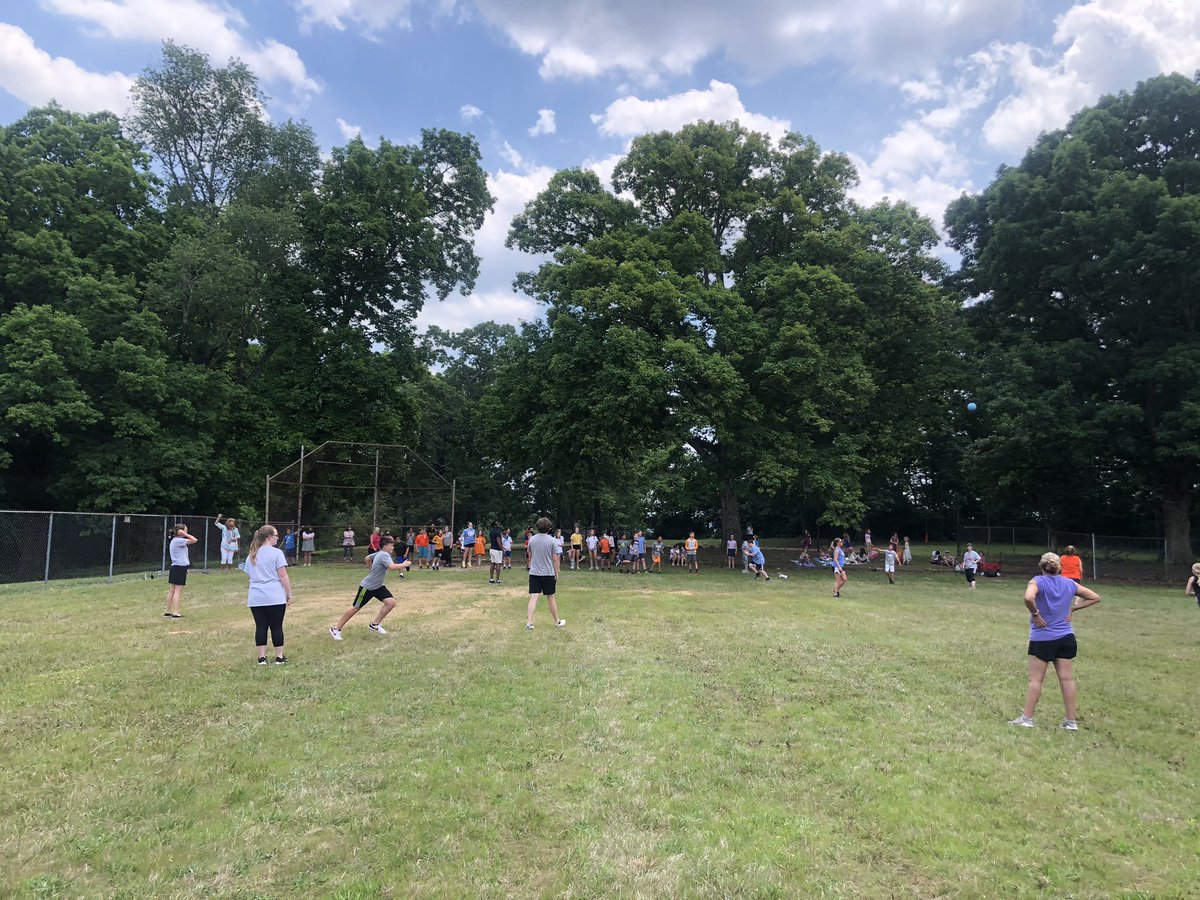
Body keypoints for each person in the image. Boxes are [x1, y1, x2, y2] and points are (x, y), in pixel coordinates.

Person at [1010, 552, 1102, 730]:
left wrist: (1035, 614)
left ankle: (1027, 719)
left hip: (1042, 638)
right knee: (1067, 680)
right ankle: (1071, 722)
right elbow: (1094, 597)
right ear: (1059, 567)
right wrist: (1073, 608)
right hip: (1066, 638)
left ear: (1041, 566)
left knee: (1036, 680)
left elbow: (1028, 597)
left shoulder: (1037, 581)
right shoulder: (1069, 583)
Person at [329, 535, 412, 640]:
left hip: (377, 586)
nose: (393, 547)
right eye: (391, 545)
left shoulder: (379, 553)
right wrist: (404, 564)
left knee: (390, 602)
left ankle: (375, 624)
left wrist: (370, 569)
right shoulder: (384, 555)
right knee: (355, 608)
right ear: (385, 546)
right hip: (367, 587)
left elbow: (367, 558)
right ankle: (336, 628)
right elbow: (391, 567)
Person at [244, 525, 292, 665]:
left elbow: (250, 576)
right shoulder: (277, 553)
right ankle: (279, 657)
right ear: (269, 537)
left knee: (261, 626)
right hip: (274, 596)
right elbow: (282, 574)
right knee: (276, 626)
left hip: (256, 596)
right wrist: (289, 593)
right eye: (276, 535)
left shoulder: (252, 555)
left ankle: (262, 657)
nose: (278, 538)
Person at [526, 517, 565, 630]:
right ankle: (557, 621)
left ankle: (529, 623)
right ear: (549, 528)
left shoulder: (532, 539)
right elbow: (555, 559)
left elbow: (530, 554)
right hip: (548, 573)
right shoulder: (552, 541)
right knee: (551, 597)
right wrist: (556, 572)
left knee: (534, 597)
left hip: (534, 573)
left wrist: (530, 565)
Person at [164, 523, 197, 618]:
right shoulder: (178, 540)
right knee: (177, 591)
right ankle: (175, 612)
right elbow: (194, 540)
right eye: (185, 530)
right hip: (179, 567)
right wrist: (185, 534)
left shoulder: (175, 540)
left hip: (176, 567)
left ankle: (167, 611)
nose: (187, 532)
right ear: (180, 532)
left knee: (172, 590)